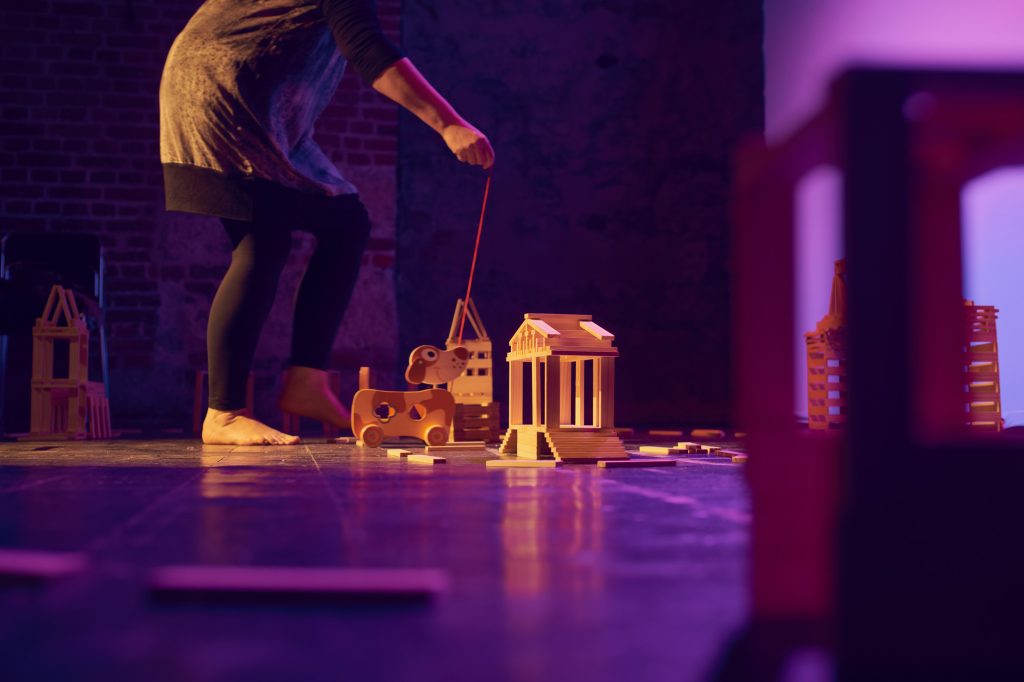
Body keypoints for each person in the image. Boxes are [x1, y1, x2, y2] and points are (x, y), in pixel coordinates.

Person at [159, 0, 494, 445]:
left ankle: (305, 381)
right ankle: (223, 414)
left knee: (343, 223)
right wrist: (448, 123)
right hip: (224, 91)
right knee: (263, 237)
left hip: (254, 99)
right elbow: (367, 48)